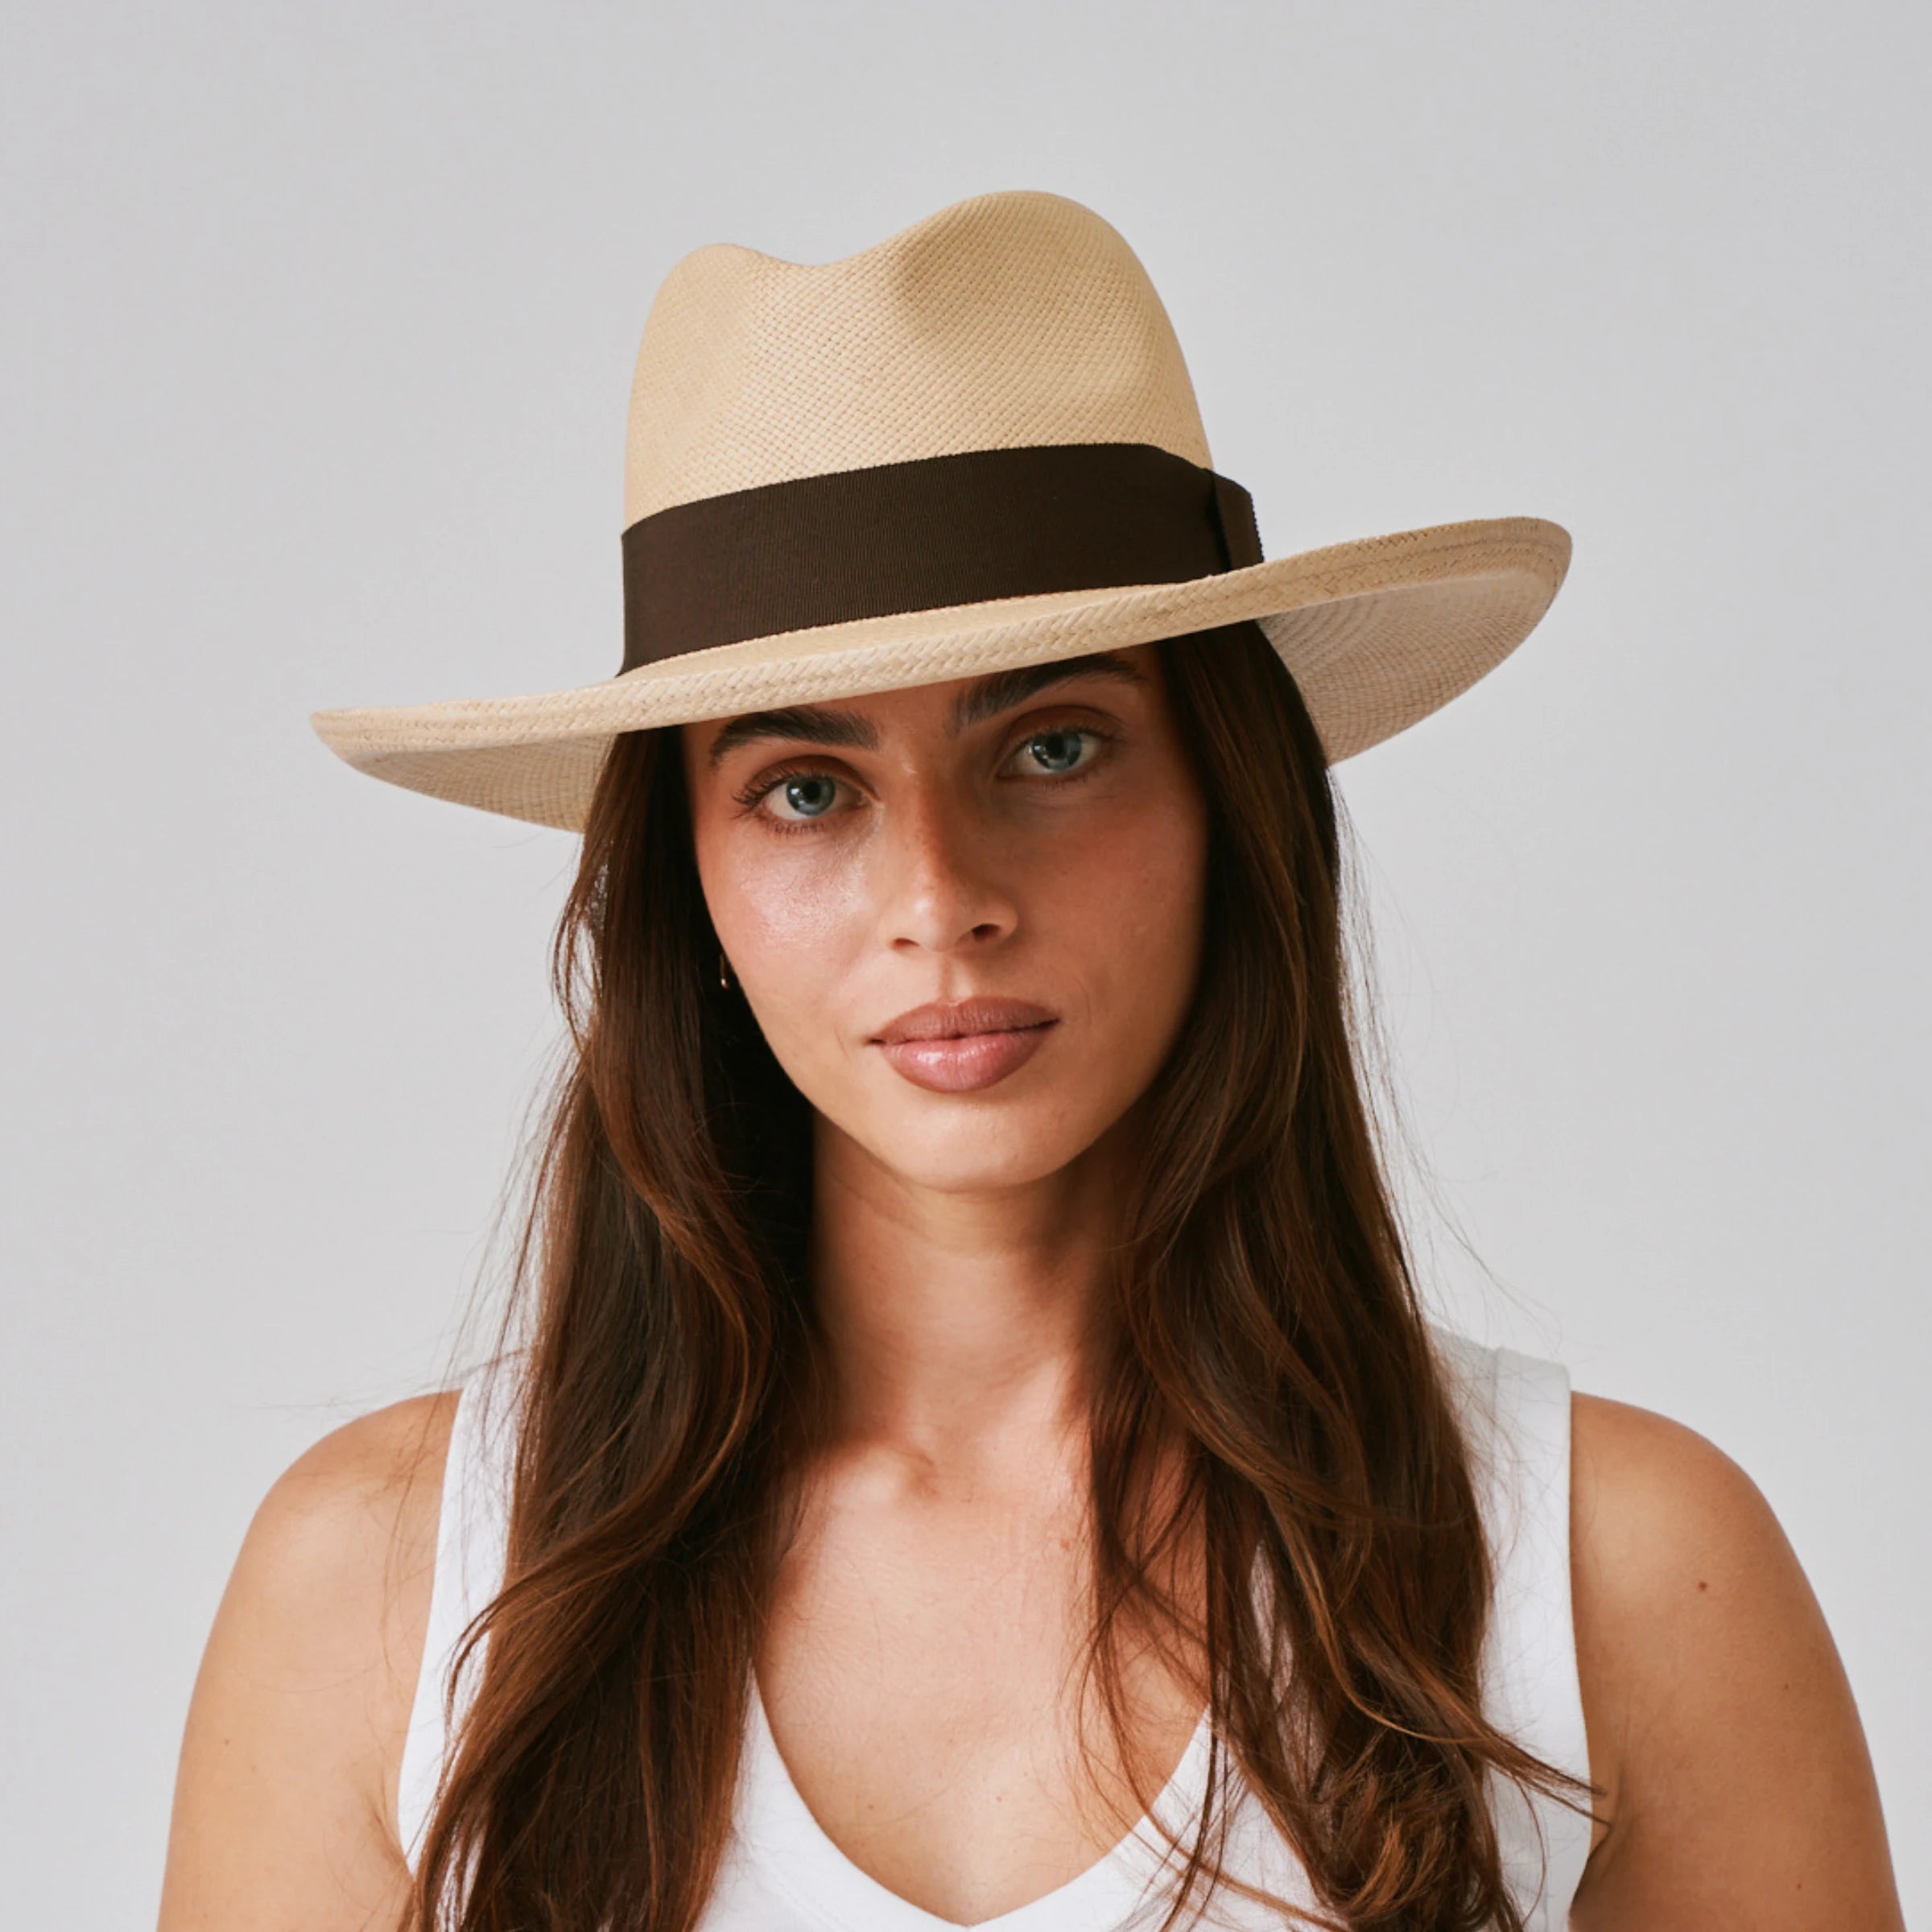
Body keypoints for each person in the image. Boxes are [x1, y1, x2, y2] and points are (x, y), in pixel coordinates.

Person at [156, 192, 1904, 1932]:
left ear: (1233, 796)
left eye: (1054, 743)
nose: (943, 898)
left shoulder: (1621, 1582)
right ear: (684, 877)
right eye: (807, 787)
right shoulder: (388, 1596)